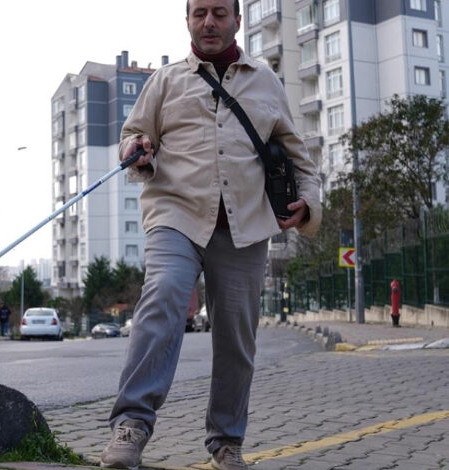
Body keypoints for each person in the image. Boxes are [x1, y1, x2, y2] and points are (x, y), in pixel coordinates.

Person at [99, 1, 322, 470]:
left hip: (245, 227)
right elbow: (132, 133)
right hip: (175, 215)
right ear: (187, 21)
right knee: (162, 297)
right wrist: (134, 148)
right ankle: (132, 424)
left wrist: (310, 203)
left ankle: (226, 442)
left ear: (236, 21)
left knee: (237, 337)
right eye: (199, 12)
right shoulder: (164, 81)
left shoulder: (266, 81)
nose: (209, 22)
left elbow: (299, 156)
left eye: (220, 12)